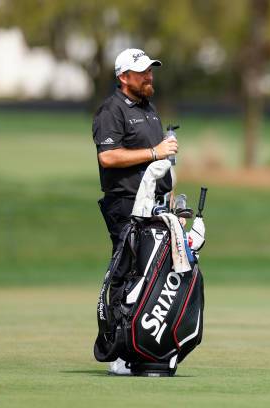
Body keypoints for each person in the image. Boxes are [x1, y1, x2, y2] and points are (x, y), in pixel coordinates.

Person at [92, 48, 177, 375]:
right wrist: (155, 151)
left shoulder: (149, 109)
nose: (149, 76)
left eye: (150, 70)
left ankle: (144, 346)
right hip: (125, 204)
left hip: (153, 205)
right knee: (127, 275)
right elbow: (108, 158)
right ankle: (119, 351)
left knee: (151, 277)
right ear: (123, 77)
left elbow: (156, 163)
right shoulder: (111, 110)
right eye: (142, 72)